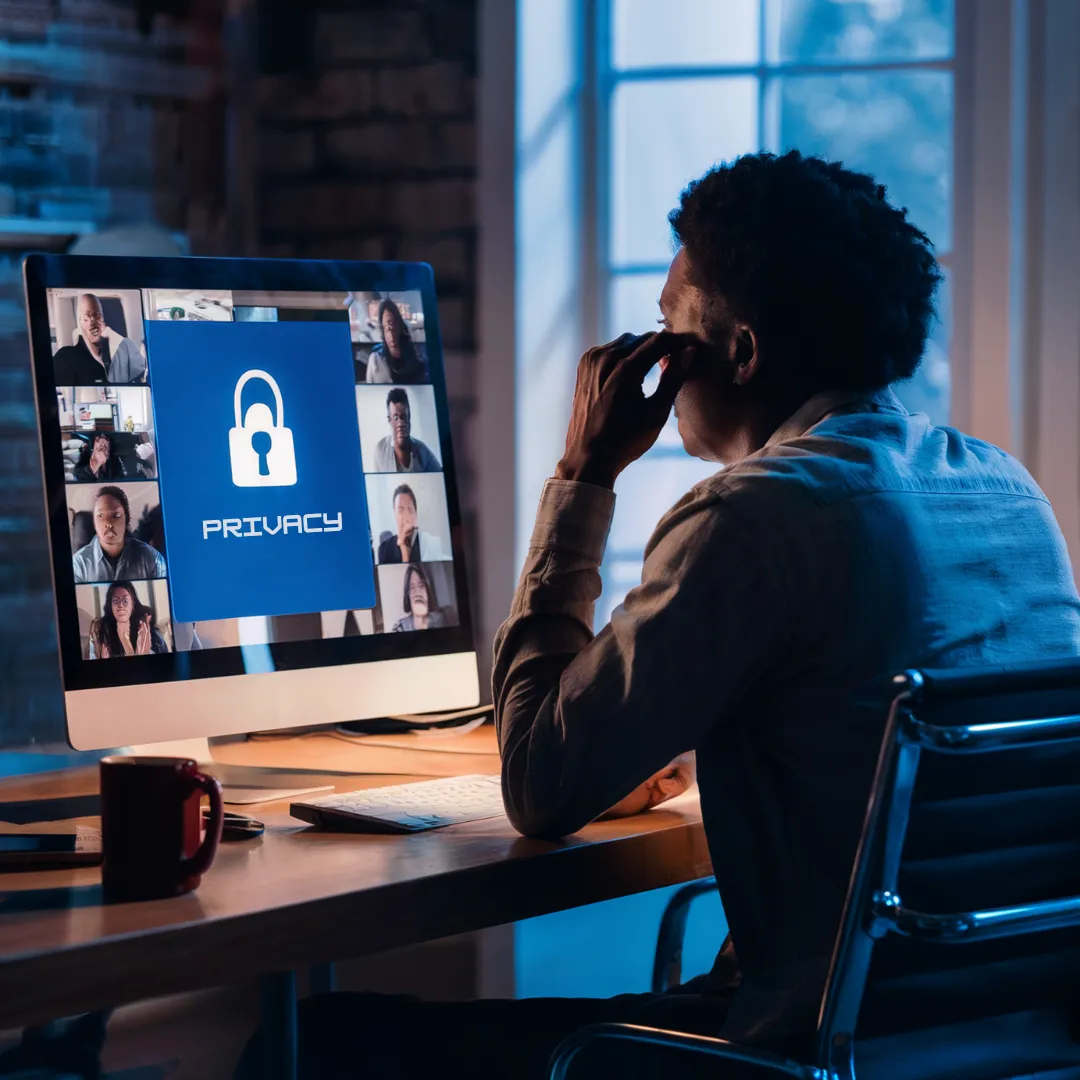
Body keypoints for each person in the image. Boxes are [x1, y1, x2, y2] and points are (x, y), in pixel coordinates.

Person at [235, 151, 1080, 1078]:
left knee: (315, 1045)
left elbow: (542, 785)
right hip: (986, 1042)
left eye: (669, 334)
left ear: (743, 353)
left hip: (790, 1054)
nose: (656, 367)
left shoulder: (756, 514)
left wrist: (583, 473)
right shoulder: (1010, 492)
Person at [72, 485, 167, 584]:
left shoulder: (153, 559)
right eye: (100, 515)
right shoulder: (78, 565)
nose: (108, 523)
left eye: (116, 515)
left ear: (127, 519)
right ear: (94, 522)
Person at [52, 294, 147, 385]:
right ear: (80, 323)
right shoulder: (65, 357)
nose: (92, 323)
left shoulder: (120, 357)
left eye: (97, 316)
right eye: (86, 318)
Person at [87, 580, 169, 659]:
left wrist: (126, 641)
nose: (120, 605)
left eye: (125, 601)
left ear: (133, 604)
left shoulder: (146, 630)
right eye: (115, 601)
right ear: (110, 606)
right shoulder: (99, 630)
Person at [372, 388, 441, 473]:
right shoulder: (380, 451)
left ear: (409, 418)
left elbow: (441, 476)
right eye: (395, 417)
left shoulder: (423, 451)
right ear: (389, 420)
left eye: (403, 417)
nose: (400, 424)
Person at [376, 484, 448, 563]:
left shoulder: (430, 544)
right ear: (394, 515)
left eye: (410, 510)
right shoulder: (384, 550)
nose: (406, 518)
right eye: (400, 510)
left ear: (416, 516)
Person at [365, 298, 429, 383]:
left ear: (400, 326)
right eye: (387, 329)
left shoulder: (416, 355)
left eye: (393, 325)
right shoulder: (376, 360)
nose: (391, 335)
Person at [390, 563, 449, 632]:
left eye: (421, 585)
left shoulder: (441, 621)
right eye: (412, 587)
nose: (417, 592)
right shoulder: (399, 628)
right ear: (408, 596)